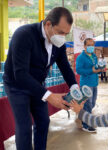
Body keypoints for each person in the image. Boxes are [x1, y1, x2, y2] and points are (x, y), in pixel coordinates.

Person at [3, 7, 78, 150]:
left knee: (43, 121)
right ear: (48, 24)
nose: (62, 37)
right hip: (16, 85)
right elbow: (20, 75)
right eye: (60, 32)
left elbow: (65, 67)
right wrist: (49, 95)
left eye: (66, 34)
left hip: (37, 83)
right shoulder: (24, 35)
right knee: (24, 127)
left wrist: (75, 88)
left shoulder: (58, 43)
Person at [76, 38, 102, 133]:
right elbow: (78, 70)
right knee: (88, 104)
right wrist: (92, 71)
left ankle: (82, 117)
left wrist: (100, 68)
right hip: (86, 84)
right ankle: (86, 125)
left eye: (92, 45)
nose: (91, 47)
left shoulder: (94, 56)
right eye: (89, 45)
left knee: (93, 103)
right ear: (84, 46)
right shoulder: (81, 57)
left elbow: (95, 67)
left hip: (94, 82)